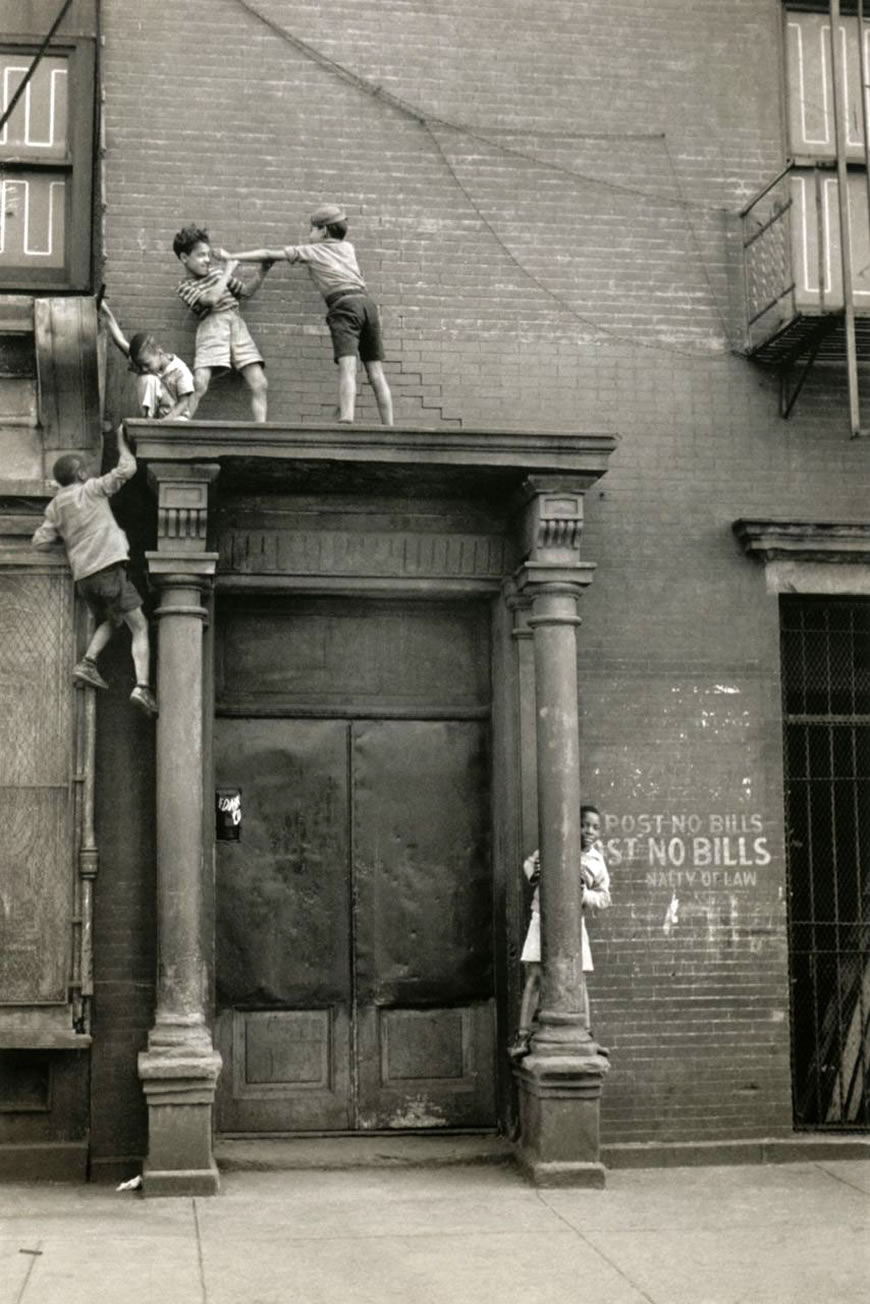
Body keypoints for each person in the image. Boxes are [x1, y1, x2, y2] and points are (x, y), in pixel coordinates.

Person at [222, 204, 393, 426]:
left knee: (347, 368)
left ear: (323, 231)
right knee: (376, 372)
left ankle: (347, 420)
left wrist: (231, 256)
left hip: (344, 306)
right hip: (367, 304)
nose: (308, 234)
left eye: (311, 229)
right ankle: (389, 426)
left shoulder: (312, 251)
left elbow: (267, 254)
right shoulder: (348, 248)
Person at [31, 428, 158, 717]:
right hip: (108, 568)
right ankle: (142, 687)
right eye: (84, 469)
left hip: (85, 579)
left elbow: (40, 542)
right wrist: (120, 442)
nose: (88, 472)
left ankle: (88, 662)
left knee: (113, 621)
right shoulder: (92, 489)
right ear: (79, 474)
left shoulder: (55, 507)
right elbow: (128, 468)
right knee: (139, 625)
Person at [509, 803, 611, 1060]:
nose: (589, 831)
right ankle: (522, 1036)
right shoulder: (553, 847)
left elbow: (605, 898)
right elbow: (528, 864)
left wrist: (585, 894)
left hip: (574, 923)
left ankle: (587, 1034)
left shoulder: (597, 862)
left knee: (579, 980)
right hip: (542, 917)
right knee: (534, 976)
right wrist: (536, 873)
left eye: (595, 827)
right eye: (584, 825)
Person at [172, 225, 272, 422]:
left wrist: (262, 271)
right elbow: (210, 300)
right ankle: (181, 423)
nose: (207, 260)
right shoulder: (185, 286)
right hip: (212, 326)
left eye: (209, 255)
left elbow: (244, 292)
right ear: (185, 258)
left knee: (260, 383)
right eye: (201, 255)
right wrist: (227, 270)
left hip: (236, 323)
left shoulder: (217, 274)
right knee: (200, 383)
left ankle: (261, 431)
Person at [100, 299, 195, 420]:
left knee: (148, 378)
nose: (143, 368)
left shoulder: (180, 370)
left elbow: (184, 403)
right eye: (140, 365)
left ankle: (150, 425)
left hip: (177, 419)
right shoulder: (144, 360)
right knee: (121, 431)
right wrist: (104, 308)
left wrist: (164, 422)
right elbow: (119, 340)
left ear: (159, 352)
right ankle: (147, 420)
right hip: (157, 418)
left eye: (146, 364)